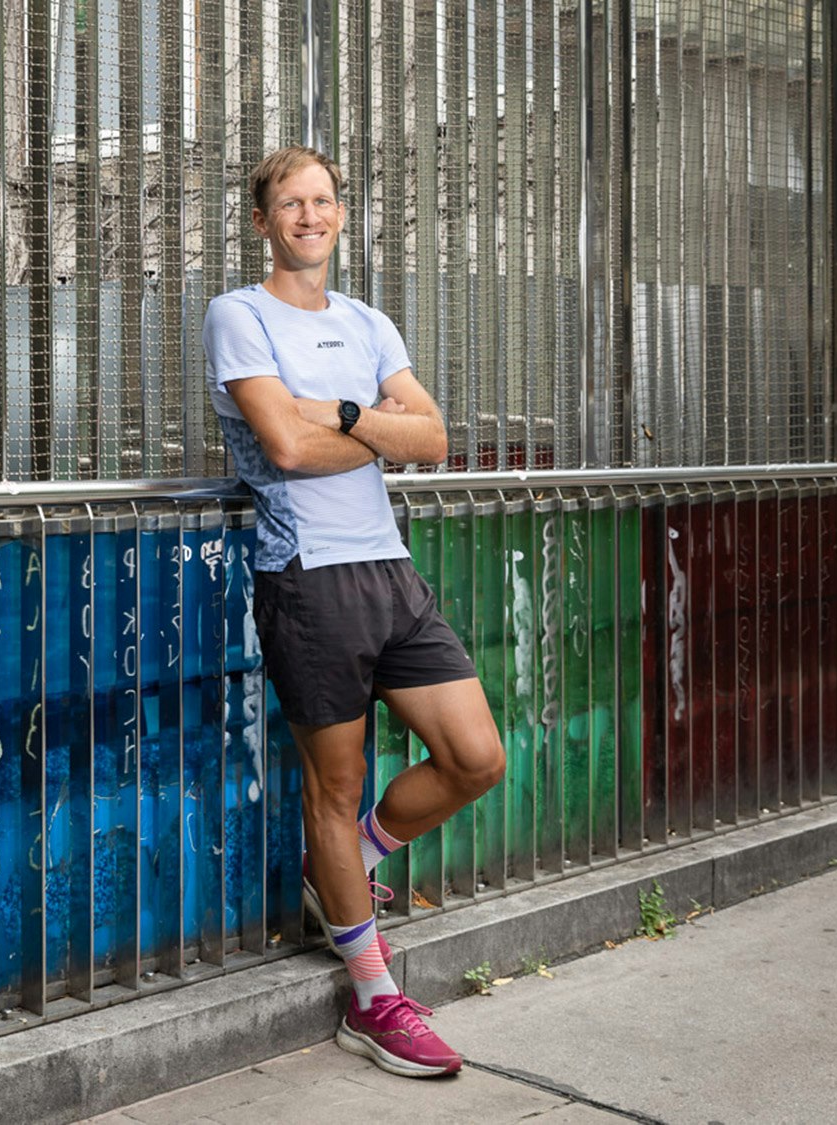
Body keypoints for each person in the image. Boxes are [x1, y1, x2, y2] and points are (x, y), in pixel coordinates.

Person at [204, 145, 507, 1079]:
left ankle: (350, 862)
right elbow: (285, 452)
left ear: (342, 215)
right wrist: (369, 431)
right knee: (330, 791)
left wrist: (335, 413)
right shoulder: (237, 314)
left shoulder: (368, 320)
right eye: (290, 203)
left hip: (389, 572)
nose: (309, 215)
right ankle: (375, 997)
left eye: (323, 200)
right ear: (262, 221)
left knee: (475, 756)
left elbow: (437, 437)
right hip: (305, 576)